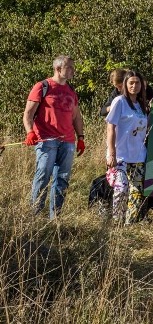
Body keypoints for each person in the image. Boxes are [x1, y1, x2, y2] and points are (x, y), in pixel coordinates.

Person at [23, 55, 84, 218]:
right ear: (58, 69)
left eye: (73, 67)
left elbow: (77, 116)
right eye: (69, 67)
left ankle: (55, 218)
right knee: (43, 176)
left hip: (68, 142)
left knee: (62, 180)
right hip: (47, 140)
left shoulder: (71, 91)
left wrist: (81, 138)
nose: (72, 70)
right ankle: (34, 216)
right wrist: (30, 132)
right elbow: (28, 113)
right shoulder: (43, 86)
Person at [105, 70, 149, 224]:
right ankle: (117, 221)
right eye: (131, 83)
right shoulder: (119, 101)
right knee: (121, 189)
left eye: (137, 83)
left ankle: (130, 223)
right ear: (125, 84)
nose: (134, 86)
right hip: (121, 155)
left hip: (138, 155)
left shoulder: (142, 105)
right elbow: (111, 127)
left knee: (136, 192)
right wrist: (111, 152)